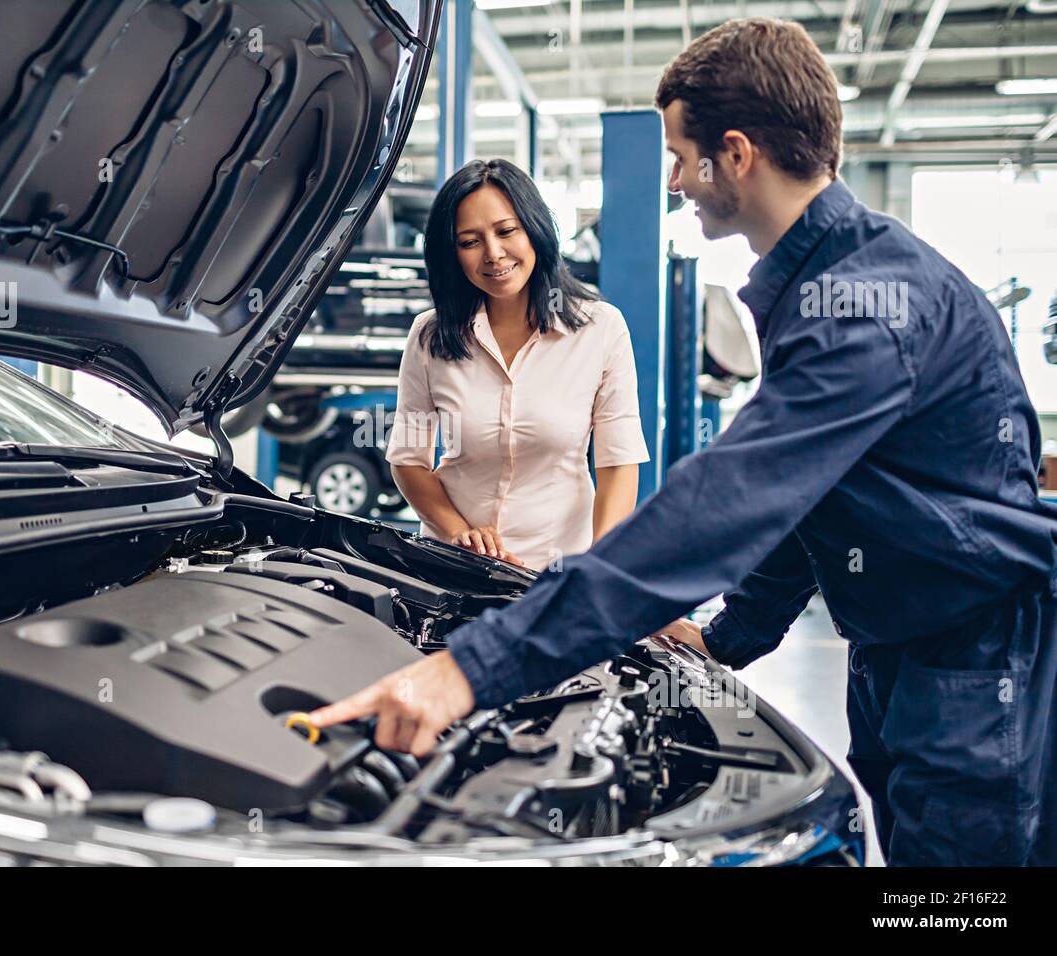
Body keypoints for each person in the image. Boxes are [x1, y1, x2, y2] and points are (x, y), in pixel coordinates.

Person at [311, 18, 1057, 867]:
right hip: (894, 650)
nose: (674, 180)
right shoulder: (820, 286)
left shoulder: (865, 304)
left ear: (734, 154)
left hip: (970, 658)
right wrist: (728, 637)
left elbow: (733, 500)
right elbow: (810, 497)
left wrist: (471, 670)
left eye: (679, 155)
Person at [385, 158, 649, 570]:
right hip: (453, 568)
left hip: (558, 570)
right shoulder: (430, 336)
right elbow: (408, 459)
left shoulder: (601, 329)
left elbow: (618, 463)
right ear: (451, 254)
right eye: (469, 242)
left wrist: (601, 569)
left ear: (535, 229)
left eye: (507, 231)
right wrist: (457, 531)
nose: (493, 254)